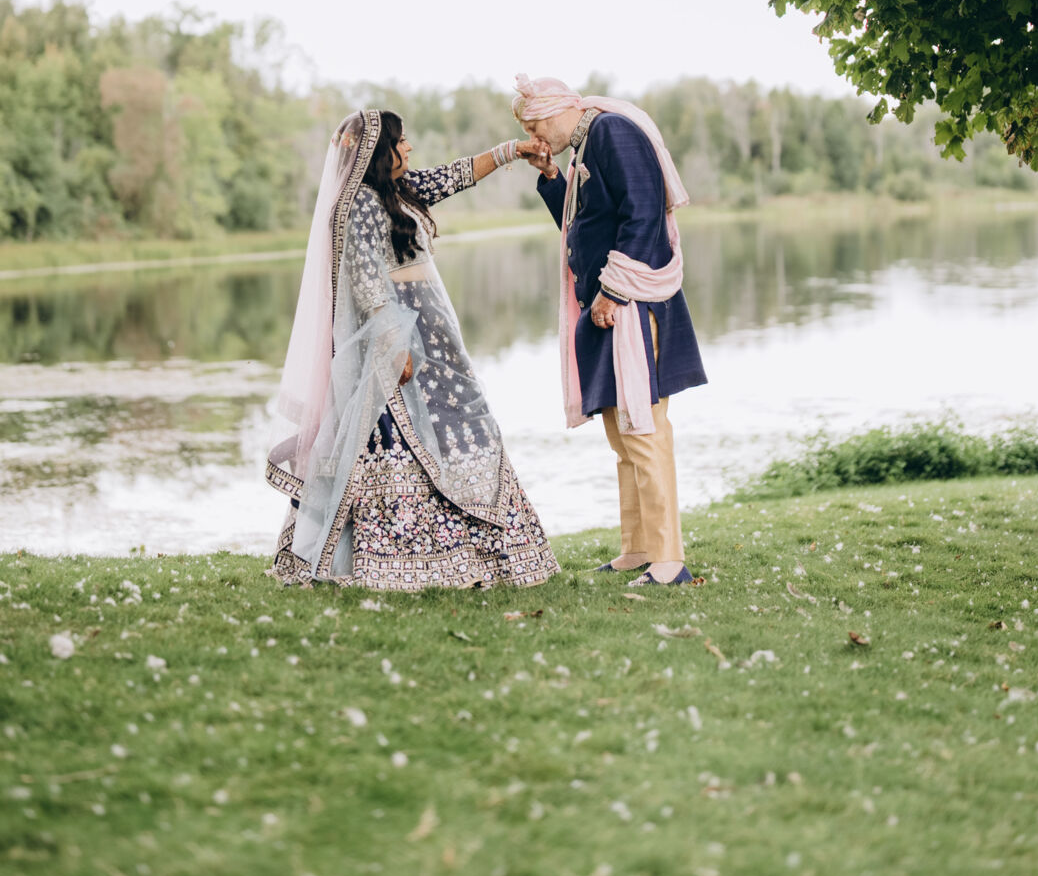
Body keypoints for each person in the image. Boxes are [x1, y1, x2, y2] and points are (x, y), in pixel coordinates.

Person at [266, 108, 559, 592]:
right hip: (400, 339)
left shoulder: (397, 190)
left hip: (435, 335)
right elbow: (365, 278)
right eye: (401, 141)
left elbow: (456, 175)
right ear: (381, 151)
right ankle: (404, 555)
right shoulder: (360, 202)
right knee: (400, 439)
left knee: (466, 425)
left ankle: (479, 550)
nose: (408, 147)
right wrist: (394, 343)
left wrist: (514, 150)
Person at [512, 74, 707, 587]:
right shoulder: (585, 144)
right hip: (609, 306)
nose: (533, 135)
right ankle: (637, 548)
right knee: (623, 437)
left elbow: (642, 215)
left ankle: (669, 562)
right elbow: (582, 226)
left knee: (645, 432)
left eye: (533, 125)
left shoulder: (611, 132)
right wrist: (552, 177)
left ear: (557, 111)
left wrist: (614, 292)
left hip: (630, 306)